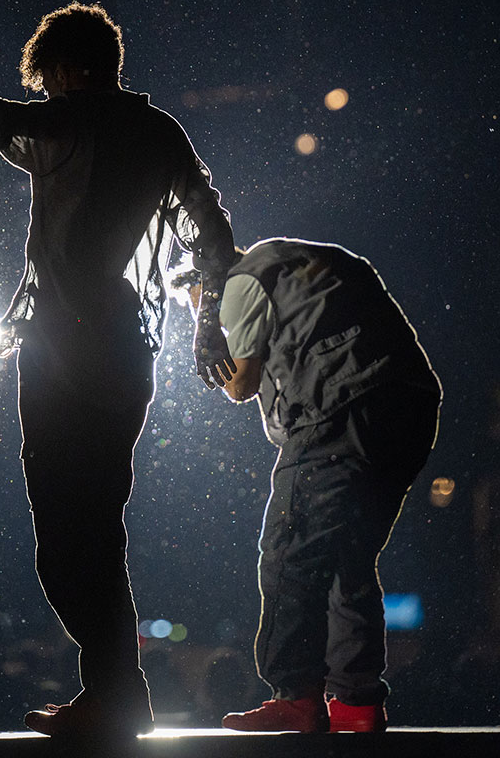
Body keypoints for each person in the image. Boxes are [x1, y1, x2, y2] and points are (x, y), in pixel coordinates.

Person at [0, 2, 237, 739]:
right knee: (99, 527)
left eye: (49, 82)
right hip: (129, 345)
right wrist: (208, 322)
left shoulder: (70, 122)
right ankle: (115, 694)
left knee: (65, 542)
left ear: (65, 70)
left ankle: (116, 696)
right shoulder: (163, 134)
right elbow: (215, 231)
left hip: (63, 349)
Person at [188, 237, 441, 732]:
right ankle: (356, 702)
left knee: (290, 549)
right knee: (347, 553)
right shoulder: (299, 259)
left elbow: (240, 384)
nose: (199, 316)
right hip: (407, 406)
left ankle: (296, 695)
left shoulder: (239, 285)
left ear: (204, 287)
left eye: (194, 304)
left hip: (336, 412)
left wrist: (210, 342)